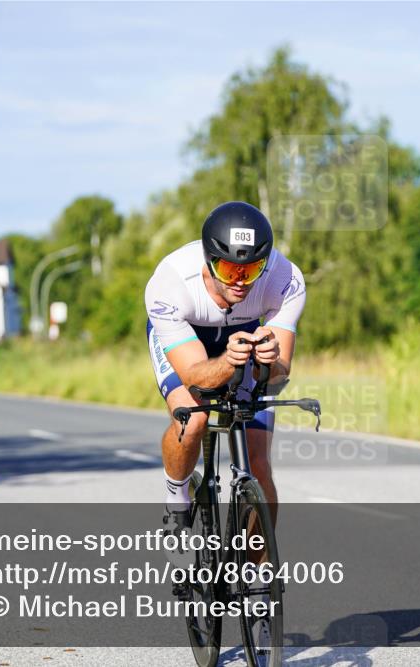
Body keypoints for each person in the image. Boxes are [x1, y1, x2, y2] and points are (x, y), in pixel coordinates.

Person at [144, 201, 306, 547]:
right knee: (193, 419)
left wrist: (270, 359)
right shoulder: (171, 282)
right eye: (230, 270)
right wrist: (228, 363)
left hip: (244, 333)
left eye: (251, 270)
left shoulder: (285, 278)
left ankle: (258, 575)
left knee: (259, 466)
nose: (240, 282)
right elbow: (195, 377)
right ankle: (177, 500)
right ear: (208, 259)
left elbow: (278, 375)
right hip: (188, 335)